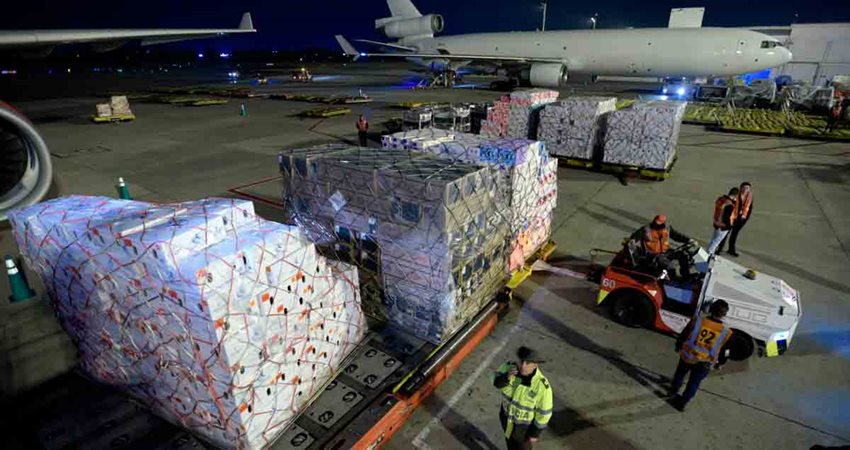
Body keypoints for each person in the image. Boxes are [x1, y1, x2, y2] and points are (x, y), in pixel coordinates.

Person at [669, 300, 733, 411]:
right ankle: (682, 402)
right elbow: (727, 351)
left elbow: (684, 333)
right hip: (705, 362)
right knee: (694, 383)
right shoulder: (726, 331)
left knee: (680, 374)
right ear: (724, 314)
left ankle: (673, 391)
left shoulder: (698, 321)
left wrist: (678, 345)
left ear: (711, 309)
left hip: (688, 356)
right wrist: (721, 362)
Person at [492, 346, 553, 450]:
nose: (523, 366)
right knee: (510, 445)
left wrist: (534, 434)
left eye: (528, 363)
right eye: (521, 361)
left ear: (535, 365)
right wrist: (506, 377)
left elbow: (544, 414)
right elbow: (495, 382)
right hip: (506, 420)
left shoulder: (542, 387)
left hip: (524, 430)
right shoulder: (508, 368)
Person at [629, 215, 697, 281]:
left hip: (665, 252)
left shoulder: (667, 228)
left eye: (659, 224)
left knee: (682, 255)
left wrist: (688, 240)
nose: (656, 225)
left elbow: (676, 236)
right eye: (655, 223)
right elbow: (634, 238)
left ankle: (686, 276)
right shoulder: (646, 229)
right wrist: (632, 242)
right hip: (653, 255)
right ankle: (673, 281)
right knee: (670, 266)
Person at [723, 182, 753, 257]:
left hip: (741, 219)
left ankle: (731, 250)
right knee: (725, 233)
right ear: (741, 188)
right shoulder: (736, 194)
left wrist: (745, 218)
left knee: (734, 234)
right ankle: (719, 248)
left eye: (747, 188)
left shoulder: (749, 197)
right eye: (744, 188)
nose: (745, 189)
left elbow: (749, 209)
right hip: (732, 217)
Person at [707, 187, 739, 255]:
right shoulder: (730, 205)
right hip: (723, 226)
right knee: (716, 242)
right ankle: (709, 254)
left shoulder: (721, 199)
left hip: (716, 223)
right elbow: (727, 217)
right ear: (735, 196)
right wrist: (729, 226)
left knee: (713, 240)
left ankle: (708, 253)